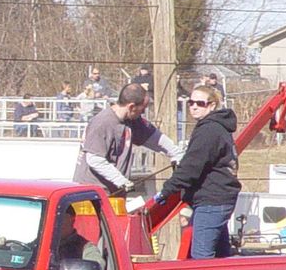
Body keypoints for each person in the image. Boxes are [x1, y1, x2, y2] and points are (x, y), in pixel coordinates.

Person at [154, 85, 240, 259]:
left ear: (212, 105)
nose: (193, 106)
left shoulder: (209, 130)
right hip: (217, 199)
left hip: (212, 201)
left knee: (201, 257)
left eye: (200, 103)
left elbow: (191, 166)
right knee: (220, 256)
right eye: (190, 102)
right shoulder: (216, 127)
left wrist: (166, 190)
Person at [73, 83, 184, 194]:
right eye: (142, 109)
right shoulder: (102, 123)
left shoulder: (133, 120)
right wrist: (121, 180)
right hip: (92, 193)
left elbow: (155, 137)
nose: (143, 113)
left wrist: (176, 153)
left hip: (115, 191)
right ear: (131, 107)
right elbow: (94, 159)